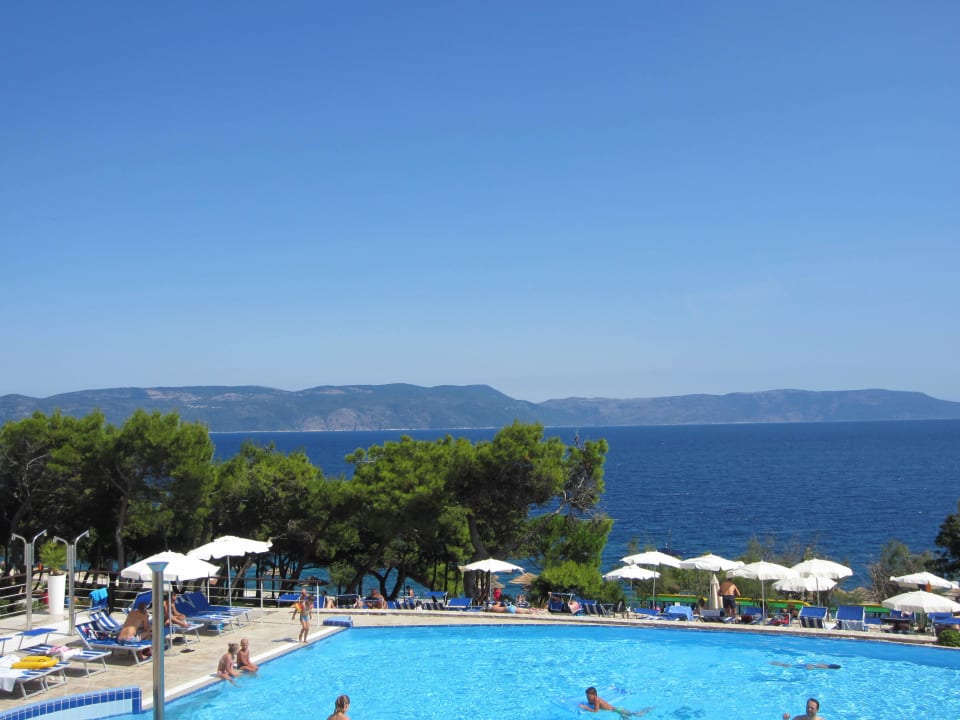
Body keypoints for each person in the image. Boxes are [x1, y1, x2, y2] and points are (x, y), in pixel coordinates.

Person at [579, 687, 652, 717]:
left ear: (594, 695)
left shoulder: (596, 700)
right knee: (630, 716)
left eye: (589, 697)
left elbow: (595, 711)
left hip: (618, 710)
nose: (587, 698)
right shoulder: (594, 700)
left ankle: (646, 710)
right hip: (617, 710)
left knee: (634, 714)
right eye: (587, 697)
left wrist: (585, 707)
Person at [770, 661, 841, 670]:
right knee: (790, 666)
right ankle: (778, 664)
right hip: (809, 666)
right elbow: (815, 667)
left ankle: (776, 663)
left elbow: (816, 664)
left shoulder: (825, 664)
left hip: (808, 664)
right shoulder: (826, 667)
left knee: (791, 665)